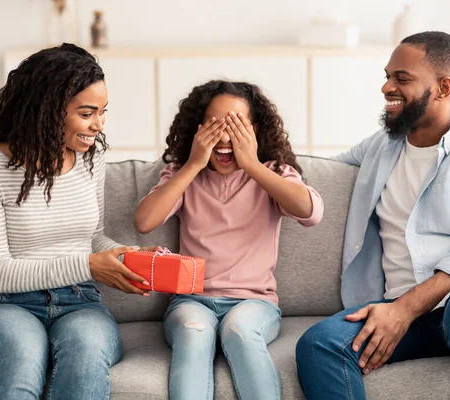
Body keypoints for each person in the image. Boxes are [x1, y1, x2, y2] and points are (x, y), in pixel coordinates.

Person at [295, 31, 450, 400]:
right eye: (387, 75)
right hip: (408, 310)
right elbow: (313, 171)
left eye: (401, 78)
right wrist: (248, 158)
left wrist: (404, 310)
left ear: (443, 87)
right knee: (320, 343)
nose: (386, 87)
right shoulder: (382, 146)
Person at [0, 43, 159, 400]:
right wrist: (90, 265)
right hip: (9, 306)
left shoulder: (91, 159)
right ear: (46, 111)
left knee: (86, 354)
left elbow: (92, 238)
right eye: (87, 113)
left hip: (81, 302)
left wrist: (126, 256)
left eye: (103, 112)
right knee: (23, 355)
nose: (99, 124)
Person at [134, 80, 324, 400]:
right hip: (192, 301)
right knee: (194, 334)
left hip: (254, 303)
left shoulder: (274, 172)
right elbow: (144, 221)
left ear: (255, 131)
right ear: (198, 130)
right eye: (215, 126)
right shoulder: (183, 174)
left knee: (239, 330)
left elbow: (311, 211)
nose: (224, 139)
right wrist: (194, 163)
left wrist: (251, 163)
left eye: (236, 127)